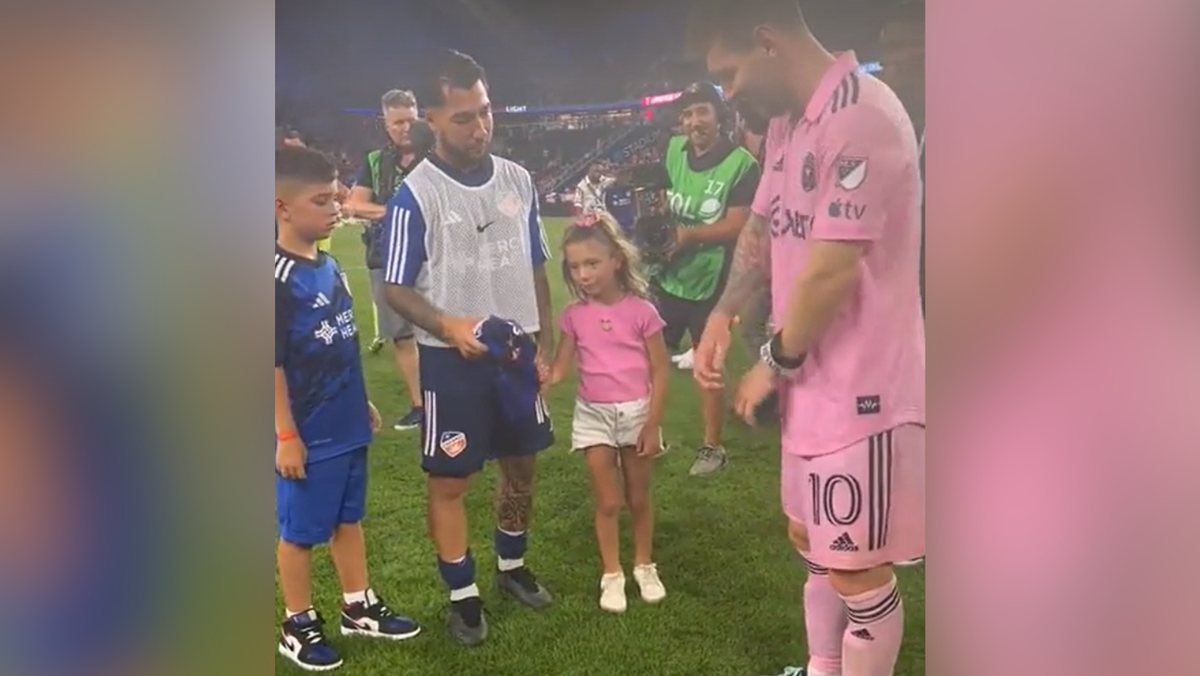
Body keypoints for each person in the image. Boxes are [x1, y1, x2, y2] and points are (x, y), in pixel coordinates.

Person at [687, 1, 926, 675]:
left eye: (727, 73)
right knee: (813, 543)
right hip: (812, 390)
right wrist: (720, 313)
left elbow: (832, 268)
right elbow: (761, 229)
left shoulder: (861, 115)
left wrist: (774, 360)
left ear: (765, 42)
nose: (727, 92)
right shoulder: (791, 125)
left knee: (859, 573)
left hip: (863, 393)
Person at [382, 49, 556, 647]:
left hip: (516, 358)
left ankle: (512, 566)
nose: (479, 127)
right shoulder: (416, 194)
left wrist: (547, 343)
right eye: (463, 117)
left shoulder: (519, 179)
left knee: (522, 466)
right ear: (432, 118)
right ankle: (463, 595)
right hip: (449, 363)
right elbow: (395, 288)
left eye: (485, 112)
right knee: (450, 481)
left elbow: (536, 266)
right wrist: (448, 324)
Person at [275, 147, 421, 671]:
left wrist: (359, 400)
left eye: (337, 195)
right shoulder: (275, 278)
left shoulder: (331, 265)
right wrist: (284, 434)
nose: (336, 206)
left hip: (345, 420)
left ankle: (358, 606)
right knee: (299, 531)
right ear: (281, 207)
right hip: (306, 432)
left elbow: (338, 342)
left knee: (347, 518)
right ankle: (296, 622)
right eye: (321, 200)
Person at [546, 213, 670, 614]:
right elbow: (560, 370)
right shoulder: (574, 315)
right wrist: (537, 376)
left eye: (591, 263)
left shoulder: (642, 312)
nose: (583, 274)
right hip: (593, 415)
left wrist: (652, 424)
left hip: (636, 413)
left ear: (617, 259)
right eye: (575, 266)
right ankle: (612, 573)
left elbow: (660, 368)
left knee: (638, 497)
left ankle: (644, 565)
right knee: (607, 501)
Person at [654, 80, 761, 476]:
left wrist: (689, 235)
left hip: (713, 281)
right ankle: (647, 432)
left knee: (707, 366)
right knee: (648, 358)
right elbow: (666, 199)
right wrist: (660, 231)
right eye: (686, 114)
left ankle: (712, 447)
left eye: (702, 111)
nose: (693, 121)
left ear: (720, 117)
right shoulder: (673, 151)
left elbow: (739, 225)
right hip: (669, 275)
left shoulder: (742, 164)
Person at [345, 89, 425, 431]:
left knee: (448, 329)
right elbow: (354, 204)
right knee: (401, 334)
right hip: (386, 257)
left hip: (434, 254)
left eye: (410, 120)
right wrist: (396, 213)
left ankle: (454, 398)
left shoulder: (437, 156)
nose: (405, 128)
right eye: (397, 122)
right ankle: (419, 404)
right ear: (386, 124)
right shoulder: (375, 161)